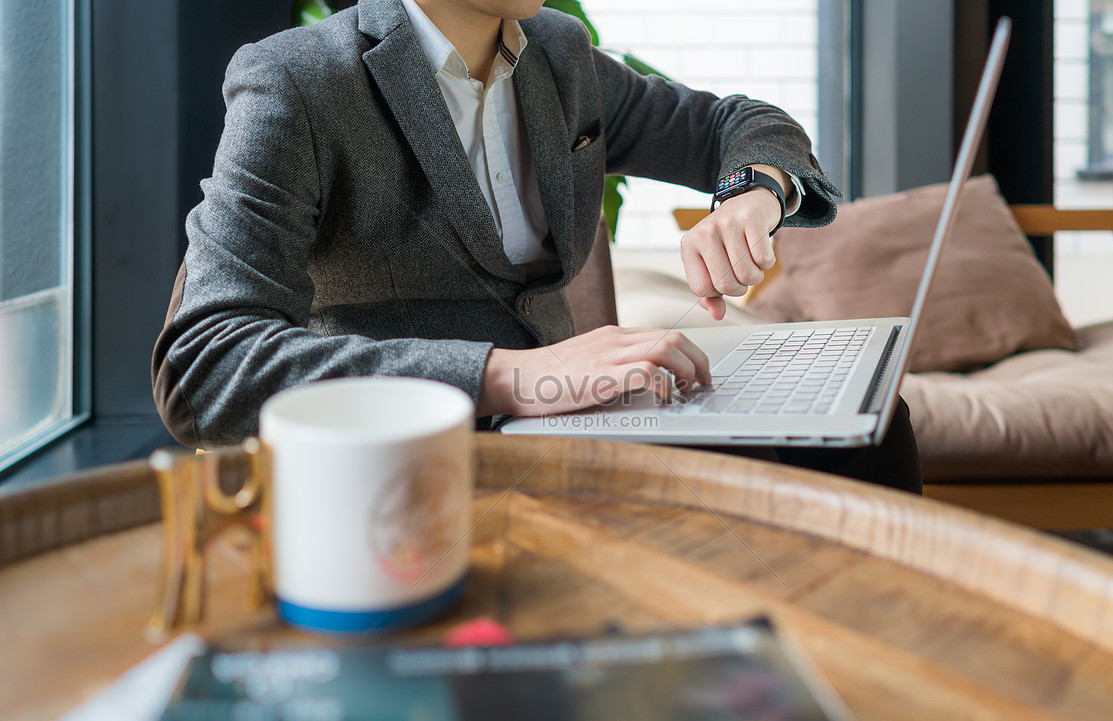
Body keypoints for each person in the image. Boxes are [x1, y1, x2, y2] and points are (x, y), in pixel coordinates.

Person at [152, 0, 921, 493]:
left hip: (576, 428)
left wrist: (752, 191)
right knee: (779, 485)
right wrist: (512, 376)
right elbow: (205, 365)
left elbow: (737, 122)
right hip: (411, 463)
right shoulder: (301, 83)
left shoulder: (558, 56)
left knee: (867, 430)